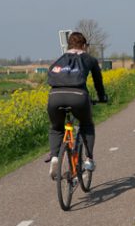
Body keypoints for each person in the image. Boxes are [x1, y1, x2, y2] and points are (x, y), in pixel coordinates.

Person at [45, 32, 108, 178]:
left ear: (69, 45)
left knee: (56, 128)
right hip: (78, 97)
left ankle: (55, 157)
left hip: (54, 97)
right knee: (87, 125)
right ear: (84, 45)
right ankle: (88, 160)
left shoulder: (58, 60)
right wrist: (102, 97)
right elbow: (98, 81)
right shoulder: (89, 59)